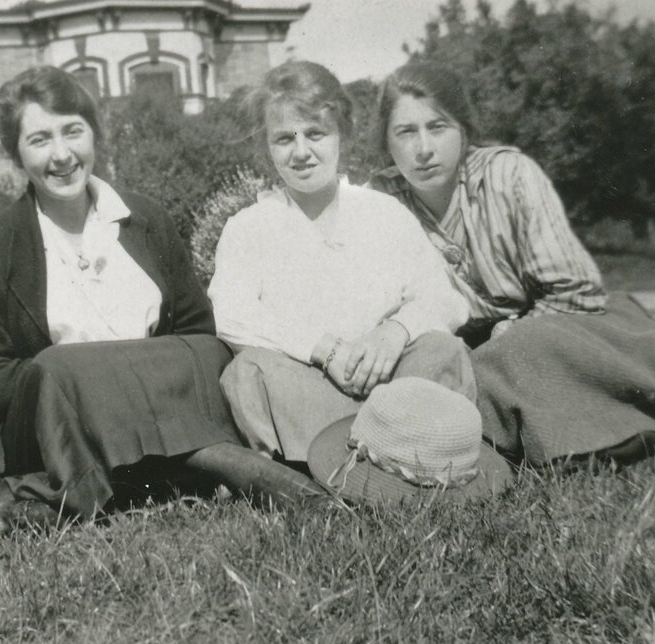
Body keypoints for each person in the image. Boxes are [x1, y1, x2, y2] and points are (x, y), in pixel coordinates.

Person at [0, 65, 322, 529]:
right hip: (58, 431)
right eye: (39, 140)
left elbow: (198, 333)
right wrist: (93, 380)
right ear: (16, 154)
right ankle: (222, 464)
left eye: (72, 132)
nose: (61, 155)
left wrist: (133, 379)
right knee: (60, 367)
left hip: (163, 410)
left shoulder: (145, 219)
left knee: (204, 352)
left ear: (94, 135)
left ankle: (164, 469)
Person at [369, 61, 655, 467]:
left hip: (566, 326)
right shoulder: (380, 201)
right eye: (405, 132)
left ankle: (610, 431)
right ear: (386, 143)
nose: (423, 149)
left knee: (521, 351)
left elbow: (576, 290)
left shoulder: (508, 175)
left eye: (437, 127)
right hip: (474, 350)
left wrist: (510, 333)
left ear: (464, 130)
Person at [208, 61, 511, 503]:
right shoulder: (249, 226)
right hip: (309, 387)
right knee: (248, 371)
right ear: (265, 149)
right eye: (284, 138)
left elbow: (443, 297)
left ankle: (417, 457)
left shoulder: (381, 212)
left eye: (316, 134)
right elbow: (232, 314)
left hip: (392, 382)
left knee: (442, 349)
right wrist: (324, 349)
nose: (301, 151)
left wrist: (395, 332)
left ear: (343, 136)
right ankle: (313, 474)